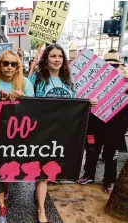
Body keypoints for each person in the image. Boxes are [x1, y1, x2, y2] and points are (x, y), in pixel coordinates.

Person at [28, 44, 97, 223]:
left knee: (51, 168)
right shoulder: (38, 79)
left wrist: (87, 103)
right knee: (42, 170)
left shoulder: (68, 80)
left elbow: (73, 105)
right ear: (46, 59)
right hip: (42, 133)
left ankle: (39, 194)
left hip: (62, 133)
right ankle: (42, 209)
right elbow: (29, 104)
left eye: (60, 56)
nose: (57, 59)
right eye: (53, 56)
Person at [0, 50, 34, 223]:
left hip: (18, 134)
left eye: (13, 64)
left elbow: (36, 109)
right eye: (6, 63)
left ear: (17, 67)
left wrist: (23, 97)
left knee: (11, 167)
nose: (9, 67)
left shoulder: (25, 83)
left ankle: (6, 187)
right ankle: (1, 207)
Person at [77, 51, 128, 193]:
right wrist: (88, 102)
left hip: (115, 126)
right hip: (95, 125)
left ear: (119, 66)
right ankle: (88, 175)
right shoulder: (92, 83)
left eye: (115, 65)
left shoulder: (125, 84)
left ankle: (109, 181)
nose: (112, 68)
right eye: (108, 65)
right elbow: (81, 101)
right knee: (92, 151)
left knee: (111, 154)